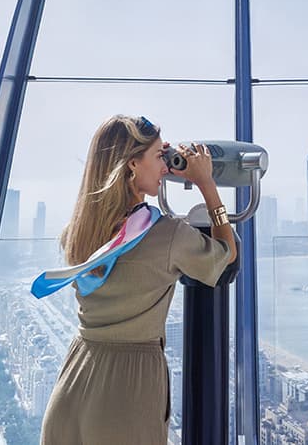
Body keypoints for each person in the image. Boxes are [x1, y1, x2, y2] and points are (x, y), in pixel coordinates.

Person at [39, 114, 238, 444]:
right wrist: (205, 183)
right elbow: (226, 254)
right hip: (128, 390)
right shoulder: (169, 236)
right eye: (159, 155)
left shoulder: (79, 230)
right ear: (132, 164)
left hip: (74, 381)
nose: (165, 166)